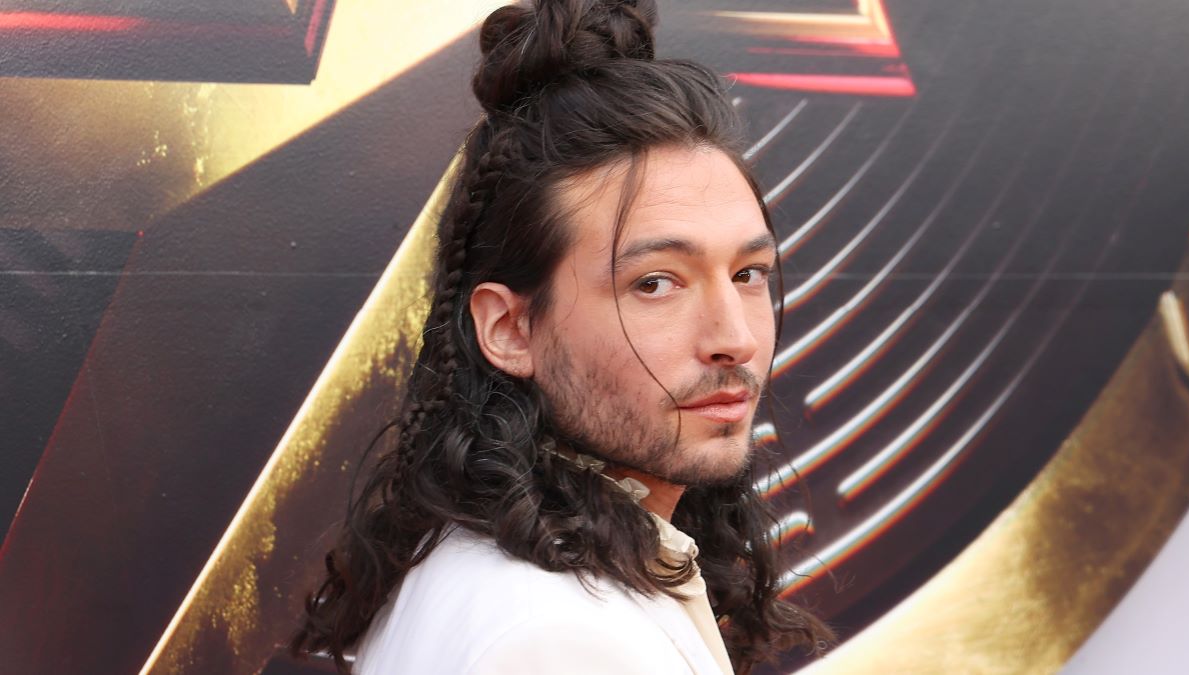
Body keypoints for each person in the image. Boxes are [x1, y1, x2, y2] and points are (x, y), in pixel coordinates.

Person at [290, 0, 833, 672]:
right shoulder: (561, 638)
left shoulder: (494, 566)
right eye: (656, 283)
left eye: (749, 273)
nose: (735, 338)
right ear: (511, 329)